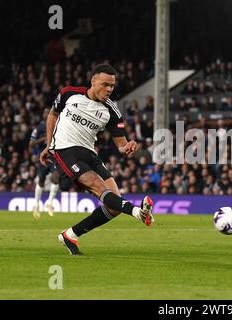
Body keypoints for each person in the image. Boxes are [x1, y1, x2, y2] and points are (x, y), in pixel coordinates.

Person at [39, 63, 154, 255]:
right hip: (65, 151)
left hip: (89, 154)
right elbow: (53, 115)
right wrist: (49, 144)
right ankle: (137, 212)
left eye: (112, 86)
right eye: (105, 84)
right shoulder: (69, 93)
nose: (109, 89)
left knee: (114, 206)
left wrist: (127, 148)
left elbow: (121, 144)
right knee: (97, 185)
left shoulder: (112, 111)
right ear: (93, 81)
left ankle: (71, 235)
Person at [29, 108, 60, 218]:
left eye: (49, 113)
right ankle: (36, 204)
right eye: (46, 113)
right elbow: (31, 144)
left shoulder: (58, 125)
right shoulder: (39, 128)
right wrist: (44, 139)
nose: (47, 114)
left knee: (56, 177)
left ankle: (49, 203)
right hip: (43, 157)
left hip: (54, 157)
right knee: (41, 180)